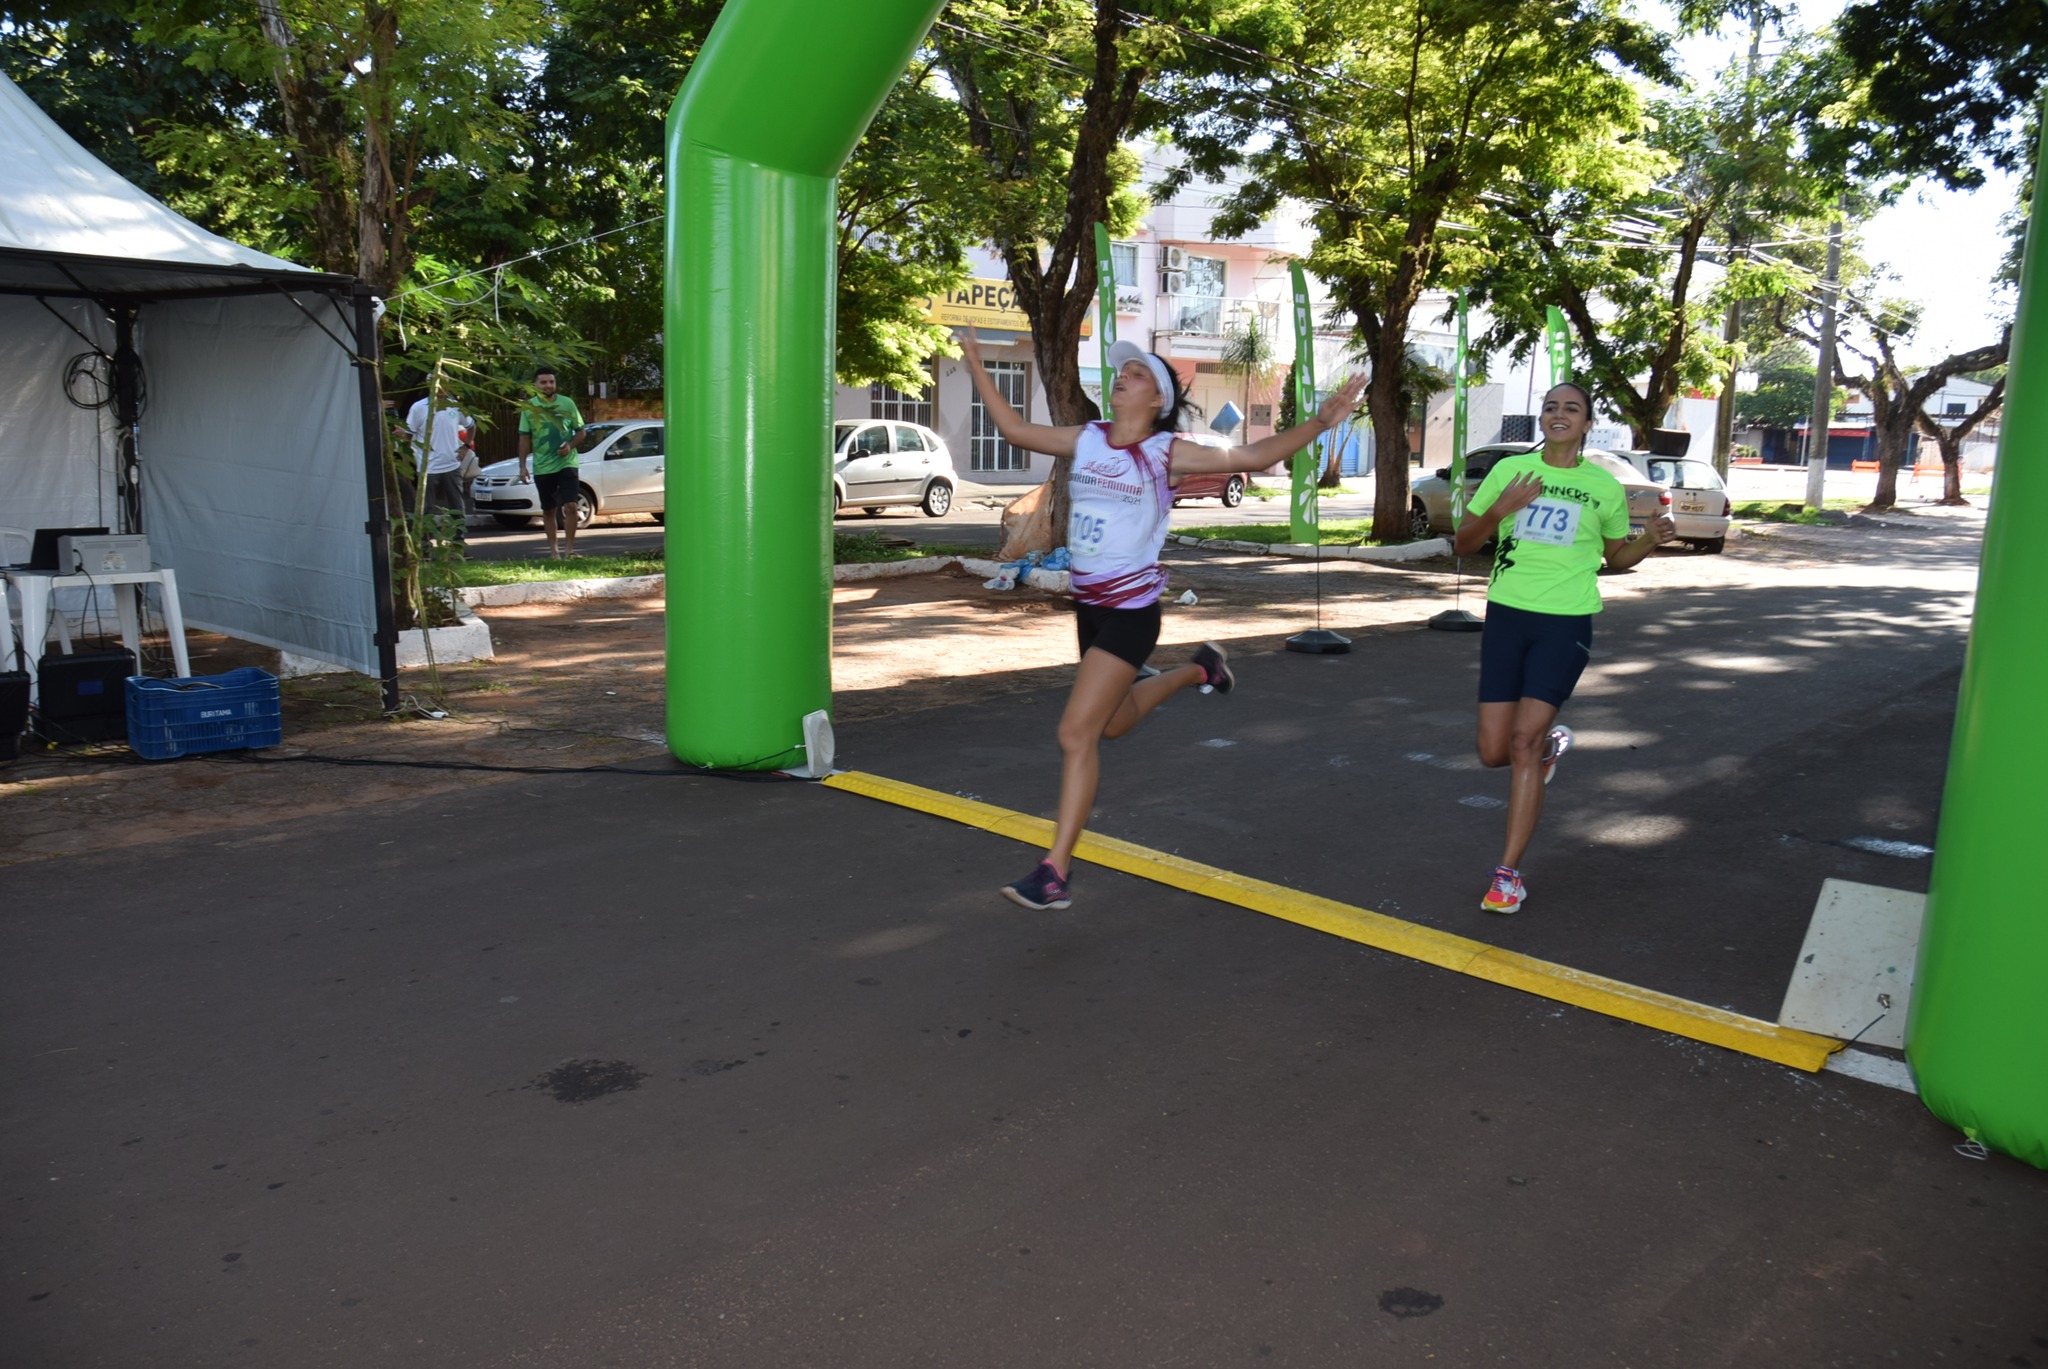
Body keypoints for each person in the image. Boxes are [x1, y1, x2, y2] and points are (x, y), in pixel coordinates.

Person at [957, 329, 1368, 911]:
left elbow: (1254, 455)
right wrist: (977, 363)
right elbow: (1016, 431)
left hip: (1132, 613)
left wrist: (1321, 422)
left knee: (1076, 734)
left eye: (1139, 374)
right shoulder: (1090, 439)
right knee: (1114, 725)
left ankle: (1055, 872)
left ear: (1157, 402)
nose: (1123, 376)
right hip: (1089, 609)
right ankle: (1197, 671)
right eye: (1122, 372)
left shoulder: (1166, 453)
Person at [1453, 381, 1675, 915]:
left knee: (1522, 744)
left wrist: (1650, 539)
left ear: (1586, 423)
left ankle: (1507, 875)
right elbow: (1464, 543)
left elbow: (1616, 558)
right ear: (1541, 419)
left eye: (1570, 409)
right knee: (1492, 752)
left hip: (1566, 622)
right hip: (1508, 615)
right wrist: (1499, 508)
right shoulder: (1510, 473)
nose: (1559, 415)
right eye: (1551, 407)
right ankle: (1550, 749)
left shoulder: (1603, 487)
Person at [517, 366, 587, 557]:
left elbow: (581, 432)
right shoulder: (529, 407)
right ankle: (554, 553)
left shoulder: (567, 404)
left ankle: (569, 551)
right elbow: (524, 438)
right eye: (544, 382)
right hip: (542, 465)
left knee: (571, 505)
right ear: (536, 385)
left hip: (567, 462)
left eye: (551, 382)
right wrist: (522, 466)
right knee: (548, 509)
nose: (548, 385)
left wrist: (570, 446)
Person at [406, 382, 472, 529]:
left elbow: (471, 426)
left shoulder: (455, 406)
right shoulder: (418, 408)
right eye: (438, 384)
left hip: (452, 465)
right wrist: (408, 461)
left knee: (457, 508)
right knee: (425, 509)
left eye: (445, 384)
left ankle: (458, 543)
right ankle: (424, 545)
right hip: (427, 467)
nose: (441, 389)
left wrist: (465, 447)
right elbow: (407, 436)